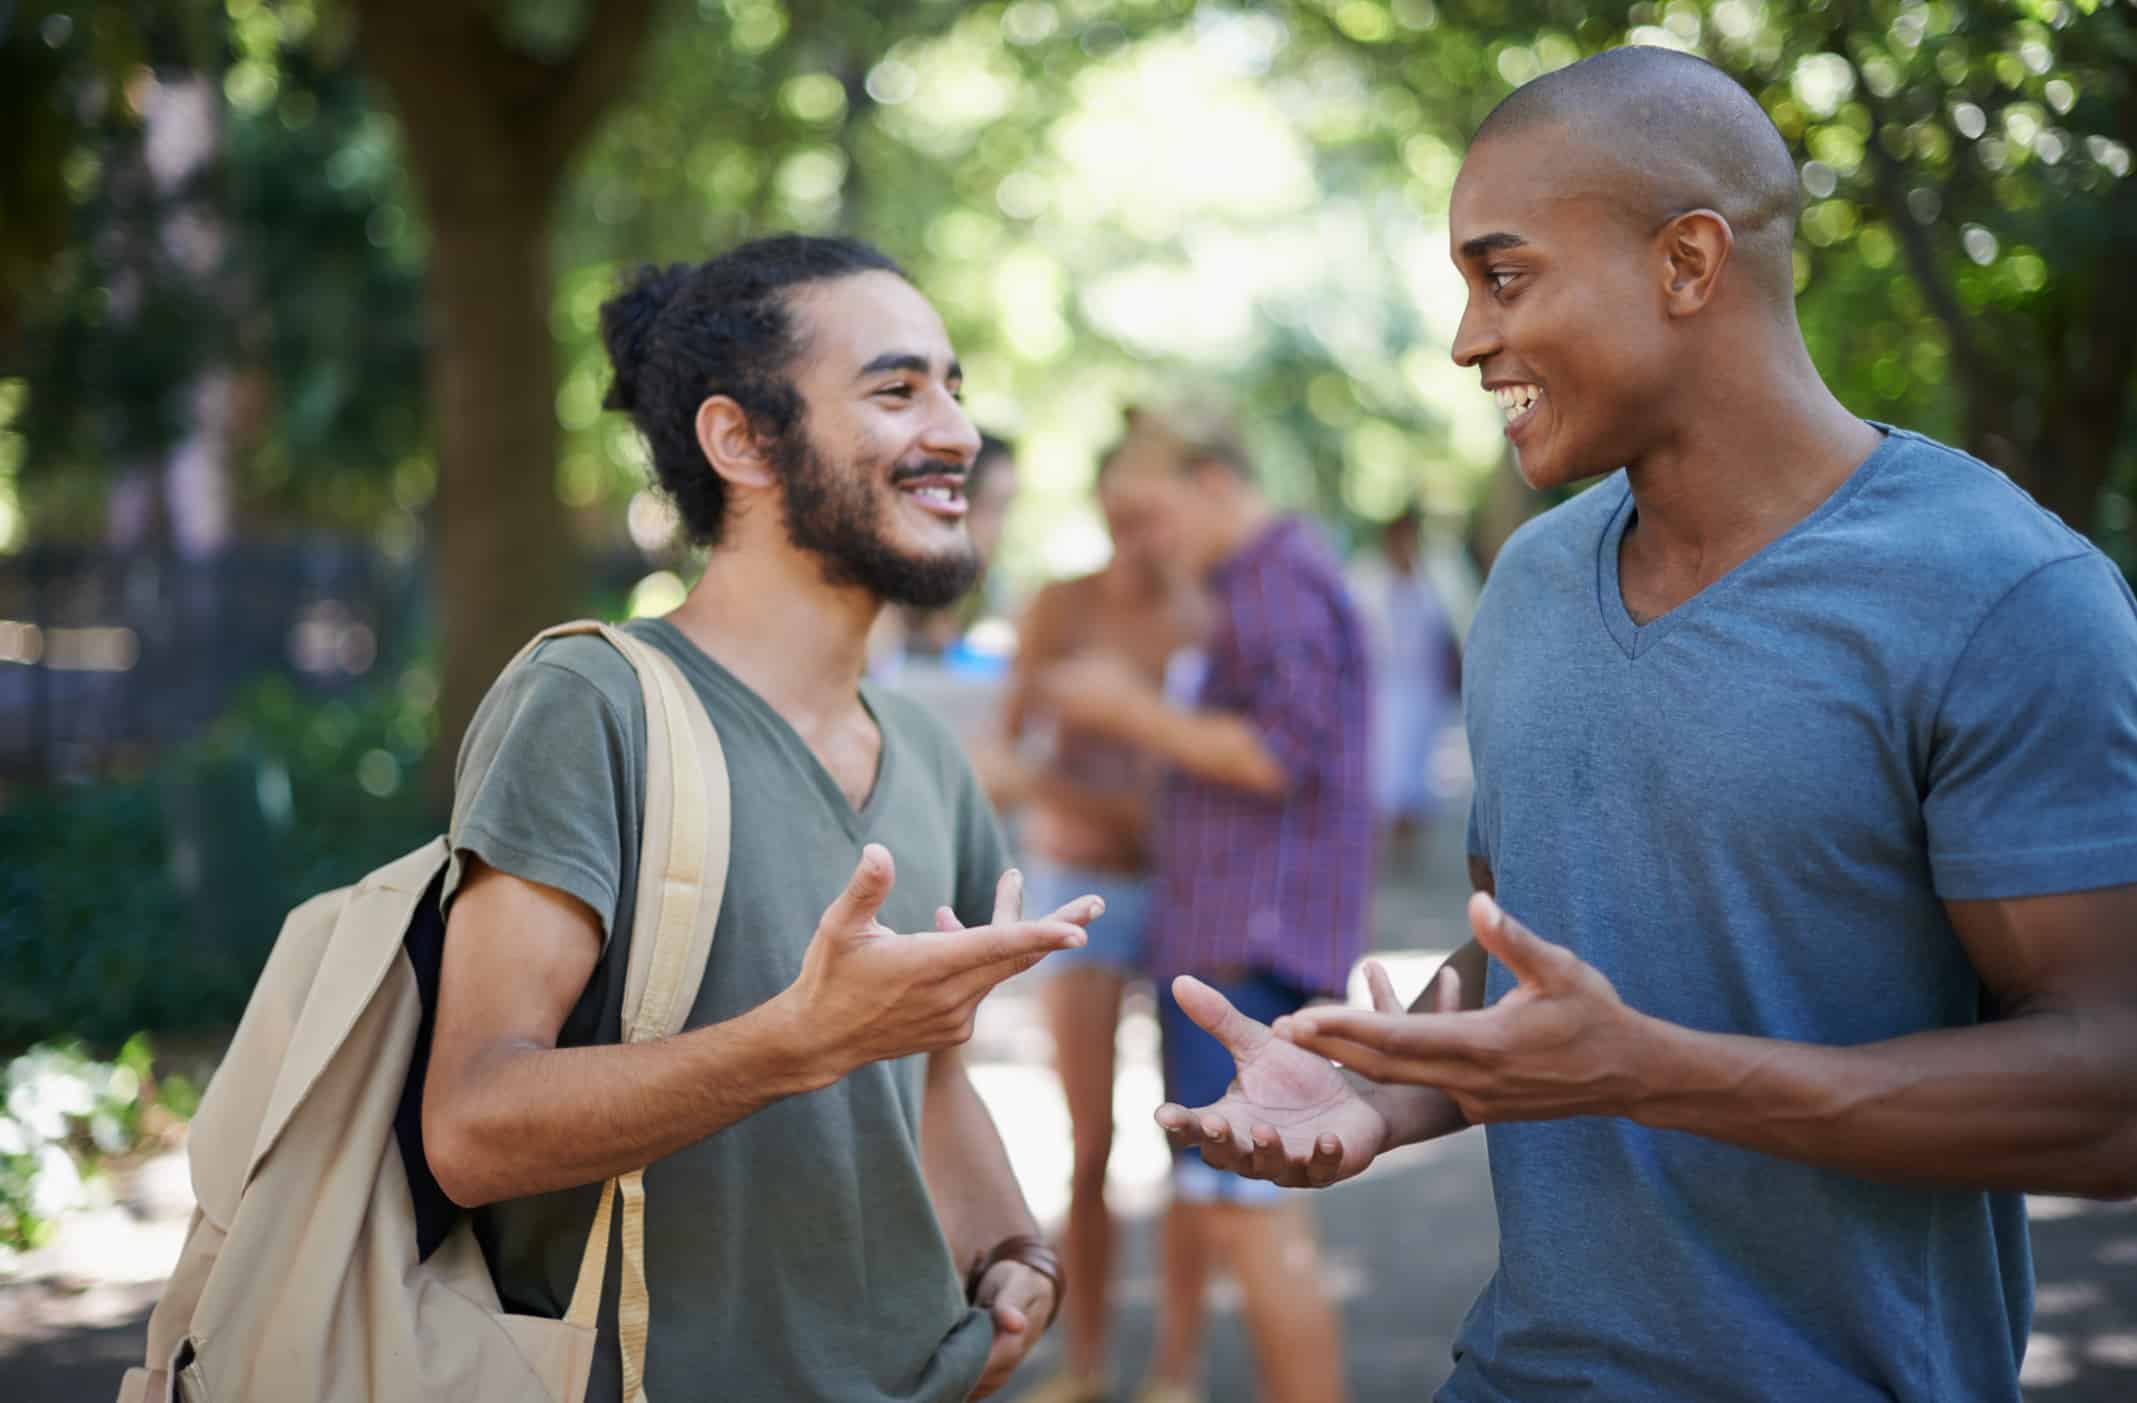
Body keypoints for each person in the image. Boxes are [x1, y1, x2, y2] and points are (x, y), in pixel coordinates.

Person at [1153, 46, 2137, 1403]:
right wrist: (1383, 1090)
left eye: (1504, 276)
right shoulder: (1533, 584)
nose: (1465, 340)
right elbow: (1540, 964)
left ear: (1686, 263)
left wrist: (1660, 1073)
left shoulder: (2005, 597)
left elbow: (2108, 1091)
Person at [424, 234, 1103, 1403]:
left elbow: (929, 1088)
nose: (954, 431)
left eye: (954, 386)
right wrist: (797, 1038)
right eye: (896, 389)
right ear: (740, 439)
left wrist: (1013, 1254)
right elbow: (473, 1125)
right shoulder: (591, 707)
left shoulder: (931, 757)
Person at [1040, 406, 1373, 1403]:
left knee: (1251, 1213)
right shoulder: (1257, 579)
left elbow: (1278, 752)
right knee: (1236, 1203)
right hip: (1230, 941)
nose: (1141, 545)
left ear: (1215, 481)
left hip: (1245, 947)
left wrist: (1127, 709)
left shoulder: (1271, 580)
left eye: (1150, 513)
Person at [989, 421, 1203, 1403]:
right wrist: (1090, 794)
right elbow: (1002, 759)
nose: (1137, 526)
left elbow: (1213, 779)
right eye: (1122, 505)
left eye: (1153, 508)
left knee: (1193, 1139)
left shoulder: (1204, 615)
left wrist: (1109, 764)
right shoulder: (1058, 605)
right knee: (1086, 1144)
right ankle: (1083, 1362)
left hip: (1185, 893)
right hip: (1081, 892)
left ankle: (1175, 1369)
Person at [1347, 505, 1464, 864]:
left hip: (1422, 690)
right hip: (1382, 690)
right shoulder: (1365, 579)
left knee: (1416, 770)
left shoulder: (1437, 578)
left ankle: (1408, 843)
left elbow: (1452, 630)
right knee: (1383, 769)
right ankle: (1380, 845)